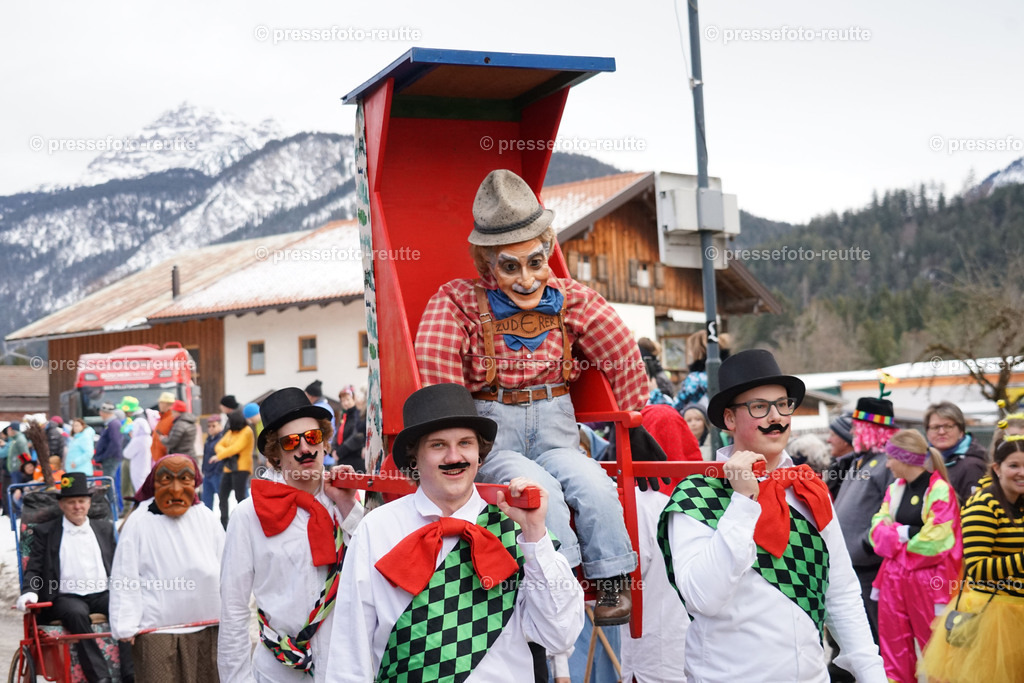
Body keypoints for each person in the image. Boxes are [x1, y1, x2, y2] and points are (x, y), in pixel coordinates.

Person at [415, 169, 657, 624]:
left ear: (548, 250)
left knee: (593, 483)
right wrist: (456, 436)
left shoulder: (571, 299)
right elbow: (438, 370)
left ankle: (612, 577)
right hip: (497, 433)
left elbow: (621, 351)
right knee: (537, 491)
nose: (526, 279)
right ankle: (561, 582)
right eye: (511, 266)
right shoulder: (458, 302)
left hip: (556, 428)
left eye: (536, 262)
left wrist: (634, 413)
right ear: (488, 265)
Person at [326, 383, 584, 682]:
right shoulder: (376, 528)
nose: (454, 456)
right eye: (438, 445)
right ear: (414, 457)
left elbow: (560, 635)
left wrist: (536, 536)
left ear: (479, 454)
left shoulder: (517, 528)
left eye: (465, 443)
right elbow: (349, 649)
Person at [658, 349, 884, 682]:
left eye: (782, 404)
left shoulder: (809, 489)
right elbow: (703, 598)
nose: (776, 417)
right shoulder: (697, 496)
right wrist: (742, 502)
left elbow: (841, 592)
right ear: (730, 419)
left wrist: (872, 674)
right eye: (759, 407)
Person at [219, 387, 364, 683]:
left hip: (344, 670)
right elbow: (233, 608)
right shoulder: (248, 515)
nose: (305, 449)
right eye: (291, 442)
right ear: (275, 453)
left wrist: (349, 507)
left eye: (313, 437)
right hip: (277, 673)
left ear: (324, 442)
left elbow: (374, 573)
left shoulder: (349, 502)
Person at [920, 435, 1024, 683]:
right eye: (1014, 465)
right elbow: (976, 569)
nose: (1022, 473)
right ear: (997, 468)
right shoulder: (984, 505)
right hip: (992, 617)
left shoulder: (1020, 503)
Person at [110, 454, 223, 682]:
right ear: (154, 484)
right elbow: (125, 574)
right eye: (166, 480)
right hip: (157, 631)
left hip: (208, 626)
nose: (176, 489)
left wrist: (234, 613)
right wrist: (125, 624)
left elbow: (227, 566)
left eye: (185, 479)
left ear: (195, 483)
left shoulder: (206, 517)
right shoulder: (139, 522)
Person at [17, 472, 134, 683]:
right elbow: (34, 568)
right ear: (62, 505)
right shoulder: (46, 532)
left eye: (81, 501)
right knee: (76, 613)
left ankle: (130, 673)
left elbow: (119, 564)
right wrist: (29, 592)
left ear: (89, 503)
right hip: (65, 596)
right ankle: (100, 677)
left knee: (123, 606)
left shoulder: (104, 529)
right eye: (71, 502)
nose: (77, 507)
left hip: (102, 592)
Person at [868, 429, 962, 683]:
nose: (887, 464)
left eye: (890, 458)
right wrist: (908, 533)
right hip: (892, 579)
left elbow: (938, 541)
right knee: (893, 649)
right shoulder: (894, 489)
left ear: (905, 458)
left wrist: (896, 537)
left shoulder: (940, 490)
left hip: (928, 582)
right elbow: (876, 532)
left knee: (937, 650)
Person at [832, 396, 897, 645]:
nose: (852, 432)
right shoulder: (862, 460)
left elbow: (892, 512)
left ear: (871, 429)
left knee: (876, 635)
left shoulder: (888, 464)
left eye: (857, 427)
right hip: (851, 564)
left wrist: (867, 546)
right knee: (855, 636)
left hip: (869, 567)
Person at [618, 481, 689, 683]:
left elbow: (623, 580)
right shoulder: (717, 494)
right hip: (694, 653)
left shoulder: (639, 501)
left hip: (656, 656)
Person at [924, 401, 988, 503]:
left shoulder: (972, 466)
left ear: (961, 431)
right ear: (927, 432)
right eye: (935, 427)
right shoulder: (923, 462)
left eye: (948, 426)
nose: (941, 432)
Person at [213, 410, 254, 529]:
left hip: (242, 468)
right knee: (222, 496)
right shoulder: (231, 432)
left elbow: (236, 448)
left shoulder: (247, 431)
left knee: (240, 497)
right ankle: (224, 523)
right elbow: (218, 445)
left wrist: (220, 455)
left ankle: (245, 523)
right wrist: (225, 453)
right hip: (229, 468)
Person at [117, 397, 152, 496]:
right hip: (139, 461)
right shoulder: (139, 421)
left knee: (136, 485)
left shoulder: (138, 423)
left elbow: (127, 453)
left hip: (136, 462)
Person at [93, 402, 124, 510]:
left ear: (104, 412)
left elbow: (115, 443)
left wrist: (104, 456)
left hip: (110, 459)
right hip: (110, 458)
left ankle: (113, 509)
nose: (100, 414)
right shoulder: (111, 424)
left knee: (108, 483)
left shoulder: (113, 424)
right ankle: (113, 508)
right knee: (108, 483)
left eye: (101, 412)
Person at [333, 386, 366, 471]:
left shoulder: (358, 414)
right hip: (343, 459)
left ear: (354, 399)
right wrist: (333, 450)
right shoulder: (344, 416)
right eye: (343, 401)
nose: (345, 403)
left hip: (354, 459)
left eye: (348, 399)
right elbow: (338, 434)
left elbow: (357, 436)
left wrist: (340, 451)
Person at [825, 413, 856, 499]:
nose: (828, 440)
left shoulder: (854, 468)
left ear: (845, 439)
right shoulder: (836, 464)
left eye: (832, 435)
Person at [202, 415, 225, 510]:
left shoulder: (223, 438)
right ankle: (207, 518)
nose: (210, 428)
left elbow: (223, 456)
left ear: (220, 425)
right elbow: (205, 456)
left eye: (213, 426)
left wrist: (218, 470)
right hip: (207, 473)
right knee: (206, 501)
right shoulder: (209, 439)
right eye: (209, 426)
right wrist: (203, 469)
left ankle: (224, 518)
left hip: (217, 473)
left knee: (222, 499)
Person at [151, 391, 176, 463]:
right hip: (159, 459)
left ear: (168, 404)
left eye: (161, 403)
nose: (159, 405)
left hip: (166, 459)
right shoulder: (163, 418)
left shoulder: (171, 418)